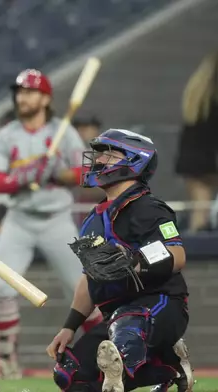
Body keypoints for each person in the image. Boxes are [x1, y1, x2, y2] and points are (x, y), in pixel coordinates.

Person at [46, 128, 193, 392]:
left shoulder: (148, 207)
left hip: (160, 303)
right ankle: (168, 367)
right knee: (69, 375)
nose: (99, 160)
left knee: (126, 334)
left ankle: (150, 360)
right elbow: (88, 278)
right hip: (114, 316)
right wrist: (69, 327)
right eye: (99, 154)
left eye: (109, 154)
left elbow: (176, 255)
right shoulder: (91, 220)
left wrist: (134, 262)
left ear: (135, 161)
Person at [0, 69, 103, 380]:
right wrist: (23, 176)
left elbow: (88, 174)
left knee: (85, 290)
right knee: (1, 289)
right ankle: (7, 359)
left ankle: (101, 355)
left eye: (30, 91)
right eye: (20, 92)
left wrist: (57, 172)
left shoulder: (64, 132)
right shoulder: (8, 134)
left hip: (56, 220)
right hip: (19, 219)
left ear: (45, 98)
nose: (23, 97)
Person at [175, 52, 218, 233]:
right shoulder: (214, 100)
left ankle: (195, 251)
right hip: (209, 160)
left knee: (200, 211)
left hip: (190, 161)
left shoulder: (197, 93)